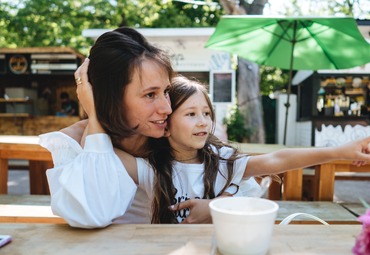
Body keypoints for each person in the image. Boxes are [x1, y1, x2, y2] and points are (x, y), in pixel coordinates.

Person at [123, 75, 370, 224]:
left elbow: (277, 158)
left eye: (206, 112)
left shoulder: (222, 161)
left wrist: (339, 152)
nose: (203, 121)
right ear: (165, 126)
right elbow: (100, 146)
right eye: (191, 114)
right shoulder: (151, 169)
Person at [39, 27, 235, 228]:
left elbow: (242, 179)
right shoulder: (71, 142)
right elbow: (92, 215)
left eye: (165, 91)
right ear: (110, 98)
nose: (167, 108)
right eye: (150, 95)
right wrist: (96, 118)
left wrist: (218, 203)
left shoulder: (172, 133)